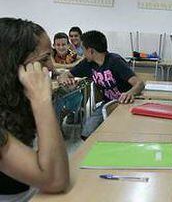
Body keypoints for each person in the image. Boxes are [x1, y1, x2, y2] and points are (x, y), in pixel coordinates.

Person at [0, 18, 69, 201]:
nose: (51, 67)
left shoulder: (13, 99)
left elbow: (55, 162)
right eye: (45, 59)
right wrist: (41, 100)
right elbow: (55, 179)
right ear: (13, 63)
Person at [59, 30, 144, 138]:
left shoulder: (115, 61)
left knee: (121, 134)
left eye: (84, 50)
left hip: (126, 104)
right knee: (87, 132)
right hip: (108, 104)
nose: (83, 53)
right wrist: (65, 79)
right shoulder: (87, 63)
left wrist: (130, 93)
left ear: (90, 51)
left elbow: (139, 83)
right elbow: (65, 75)